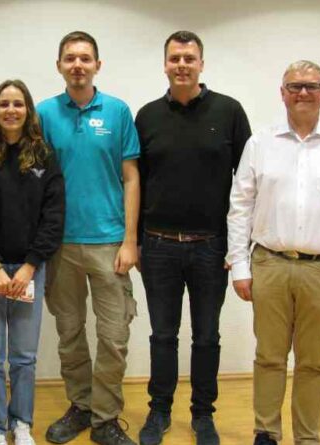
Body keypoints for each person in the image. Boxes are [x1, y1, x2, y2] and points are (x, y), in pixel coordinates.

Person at [226, 60, 320, 445]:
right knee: (269, 358)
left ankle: (308, 437)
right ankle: (266, 432)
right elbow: (240, 205)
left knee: (313, 362)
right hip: (269, 265)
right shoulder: (260, 143)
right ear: (282, 93)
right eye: (294, 85)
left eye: (312, 86)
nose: (303, 92)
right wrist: (240, 266)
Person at [135, 31, 251, 445]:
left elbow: (247, 186)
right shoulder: (146, 116)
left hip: (211, 247)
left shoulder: (230, 111)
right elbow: (135, 185)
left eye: (189, 57)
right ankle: (159, 411)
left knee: (206, 335)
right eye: (174, 58)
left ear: (202, 63)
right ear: (164, 64)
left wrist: (241, 250)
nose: (181, 64)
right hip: (159, 245)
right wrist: (134, 243)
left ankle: (203, 414)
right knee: (162, 335)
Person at [37, 31, 141, 445]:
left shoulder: (117, 112)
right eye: (69, 58)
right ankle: (80, 406)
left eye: (85, 58)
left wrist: (131, 240)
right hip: (60, 245)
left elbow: (131, 178)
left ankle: (105, 419)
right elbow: (35, 181)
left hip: (110, 243)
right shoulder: (44, 113)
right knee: (70, 333)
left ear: (98, 64)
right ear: (59, 65)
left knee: (114, 337)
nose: (77, 65)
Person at [0, 79, 65, 445]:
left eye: (18, 104)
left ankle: (21, 424)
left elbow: (53, 215)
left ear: (28, 110)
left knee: (23, 357)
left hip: (28, 270)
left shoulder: (43, 154)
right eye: (4, 104)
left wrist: (29, 265)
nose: (11, 110)